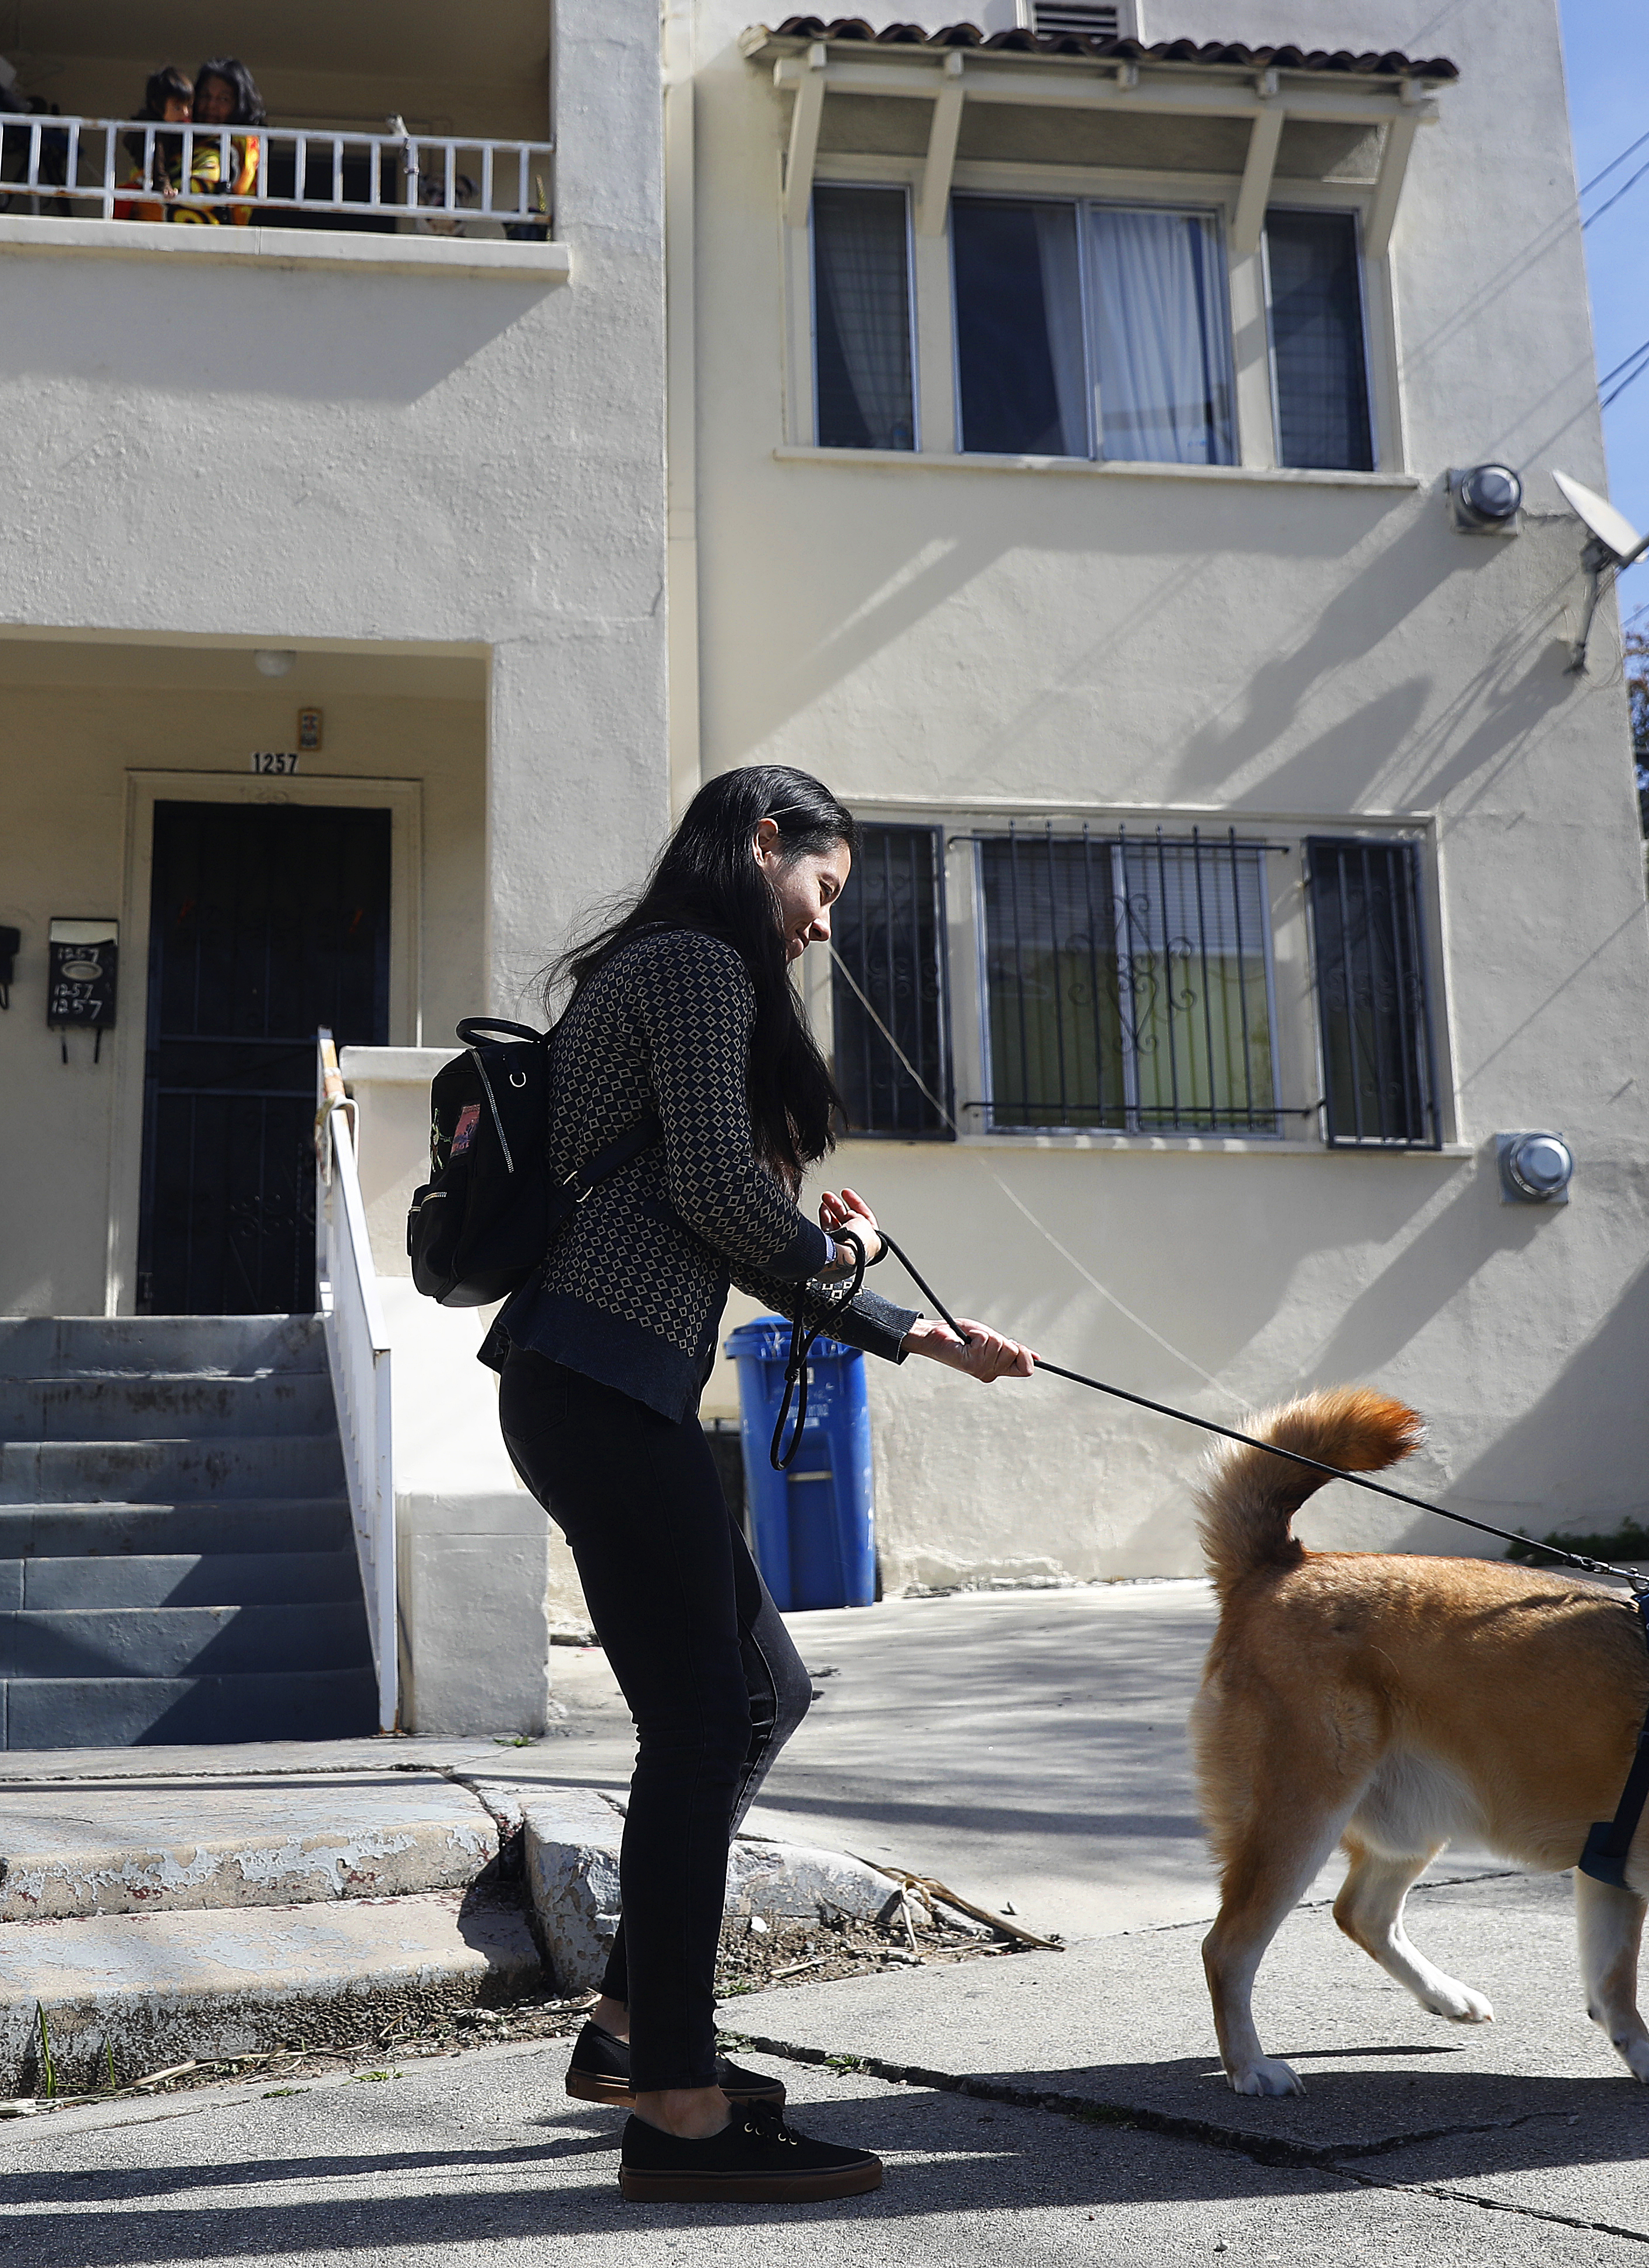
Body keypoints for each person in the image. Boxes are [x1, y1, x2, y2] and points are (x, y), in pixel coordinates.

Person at [483, 764, 1035, 2204]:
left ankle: (627, 2032)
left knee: (756, 1699)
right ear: (761, 842)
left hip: (605, 1388)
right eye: (822, 891)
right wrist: (836, 1260)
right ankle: (674, 2103)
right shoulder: (689, 965)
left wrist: (903, 1330)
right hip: (597, 1386)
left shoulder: (685, 973)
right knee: (699, 1720)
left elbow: (719, 1212)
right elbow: (726, 1203)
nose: (821, 927)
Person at [171, 56, 263, 224]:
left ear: (239, 104)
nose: (211, 105)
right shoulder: (180, 142)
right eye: (205, 96)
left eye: (223, 99)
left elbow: (206, 186)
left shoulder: (241, 142)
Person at [111, 65, 191, 223]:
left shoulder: (175, 124)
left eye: (188, 106)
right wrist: (164, 186)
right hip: (150, 183)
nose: (185, 112)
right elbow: (157, 160)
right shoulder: (153, 131)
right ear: (157, 106)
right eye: (177, 107)